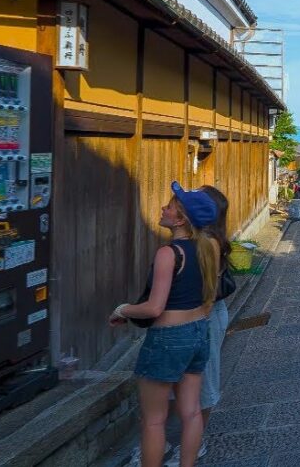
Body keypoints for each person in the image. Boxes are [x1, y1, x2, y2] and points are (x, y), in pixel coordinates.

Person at [110, 182, 220, 467]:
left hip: (168, 338)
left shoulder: (169, 253)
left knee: (153, 421)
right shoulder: (208, 248)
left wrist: (123, 309)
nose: (163, 208)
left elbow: (154, 307)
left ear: (181, 220)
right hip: (198, 331)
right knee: (191, 412)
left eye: (170, 206)